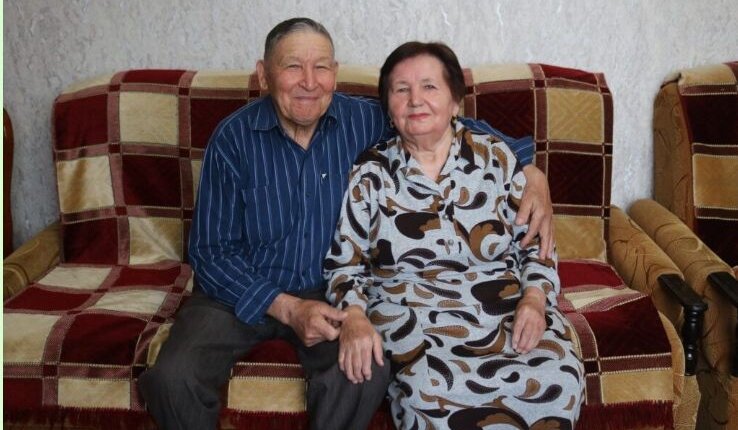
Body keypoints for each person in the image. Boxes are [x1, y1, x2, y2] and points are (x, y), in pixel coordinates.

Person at [139, 18, 555, 430]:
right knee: (173, 380)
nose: (309, 81)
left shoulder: (365, 120)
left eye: (320, 67)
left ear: (335, 74)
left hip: (328, 290)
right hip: (238, 293)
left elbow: (440, 122)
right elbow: (210, 252)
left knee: (363, 373)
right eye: (292, 66)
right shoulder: (232, 139)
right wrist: (286, 307)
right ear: (263, 75)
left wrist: (530, 171)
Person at [324, 41, 584, 430]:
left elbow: (536, 245)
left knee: (558, 380)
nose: (415, 100)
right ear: (389, 109)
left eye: (429, 87)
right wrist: (356, 315)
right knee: (430, 400)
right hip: (413, 318)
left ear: (455, 101)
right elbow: (345, 264)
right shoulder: (371, 174)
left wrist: (534, 299)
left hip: (504, 311)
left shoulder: (496, 158)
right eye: (401, 89)